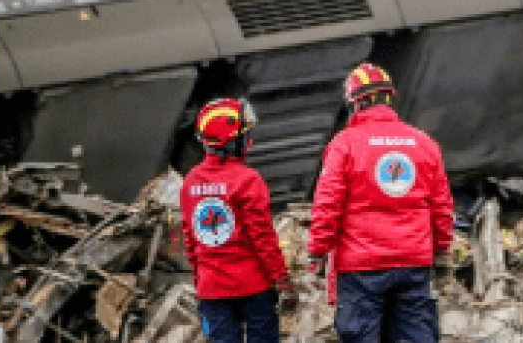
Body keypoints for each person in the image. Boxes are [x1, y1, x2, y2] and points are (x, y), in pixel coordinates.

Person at [308, 63, 454, 343]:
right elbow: (442, 206)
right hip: (413, 263)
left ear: (356, 103)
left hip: (361, 268)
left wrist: (317, 250)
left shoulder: (344, 144)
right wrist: (441, 249)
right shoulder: (423, 143)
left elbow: (327, 204)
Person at [180, 98, 295, 343]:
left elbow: (190, 239)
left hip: (212, 290)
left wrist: (200, 280)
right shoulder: (248, 180)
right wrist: (282, 279)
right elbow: (263, 237)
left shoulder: (190, 182)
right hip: (254, 288)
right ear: (232, 142)